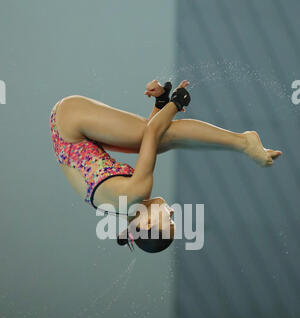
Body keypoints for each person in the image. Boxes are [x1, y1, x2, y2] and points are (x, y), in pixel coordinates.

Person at [50, 79, 282, 252]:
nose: (171, 210)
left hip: (71, 121)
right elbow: (149, 139)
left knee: (160, 135)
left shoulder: (134, 196)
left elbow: (152, 131)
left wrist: (176, 103)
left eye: (169, 219)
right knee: (154, 139)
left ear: (148, 222)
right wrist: (163, 102)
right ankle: (242, 142)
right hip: (67, 128)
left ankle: (243, 142)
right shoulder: (124, 207)